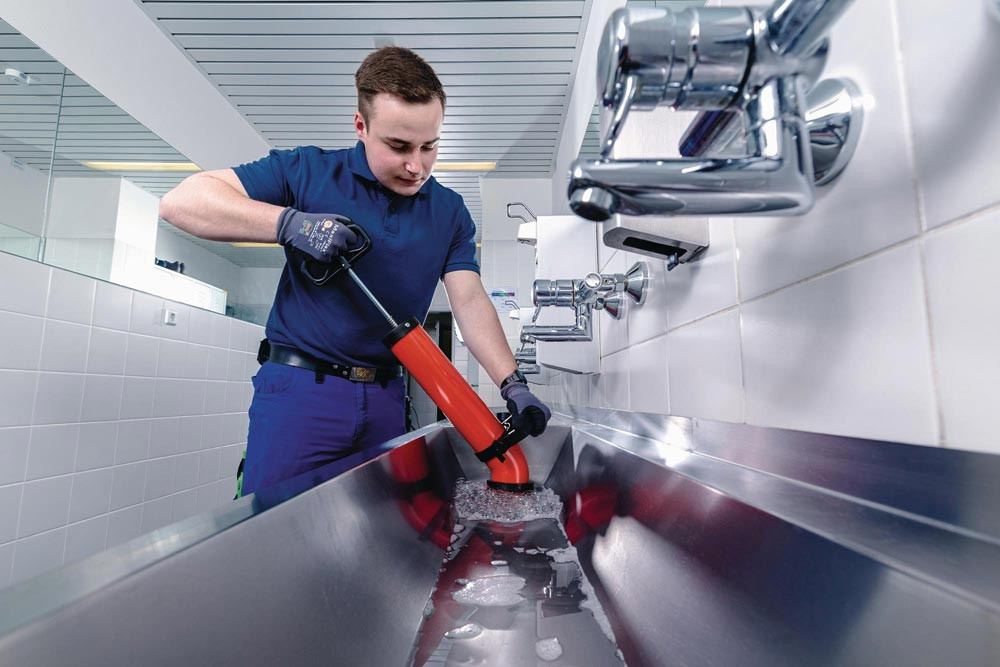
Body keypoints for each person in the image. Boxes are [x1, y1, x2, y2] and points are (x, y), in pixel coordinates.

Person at [159, 47, 551, 495]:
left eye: (429, 146)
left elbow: (470, 300)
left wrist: (511, 383)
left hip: (387, 397)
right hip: (301, 394)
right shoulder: (306, 171)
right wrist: (290, 224)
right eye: (399, 147)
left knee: (382, 527)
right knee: (275, 523)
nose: (416, 166)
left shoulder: (449, 212)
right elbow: (181, 202)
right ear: (361, 126)